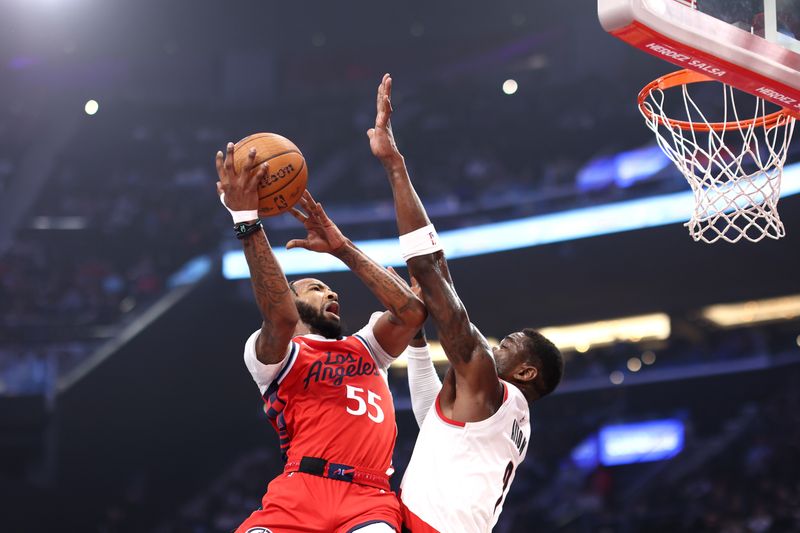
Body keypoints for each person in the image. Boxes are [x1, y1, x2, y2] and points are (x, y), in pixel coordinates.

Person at [366, 74, 565, 533]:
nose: (496, 345)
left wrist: (396, 167)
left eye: (510, 344)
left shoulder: (494, 390)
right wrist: (416, 338)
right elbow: (428, 414)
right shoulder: (496, 412)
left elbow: (432, 276)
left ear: (527, 370)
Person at [215, 142, 427, 533]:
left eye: (332, 290)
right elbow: (279, 317)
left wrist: (342, 248)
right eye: (315, 287)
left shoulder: (368, 347)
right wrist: (246, 219)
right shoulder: (272, 354)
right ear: (292, 300)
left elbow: (413, 313)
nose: (331, 293)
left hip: (368, 497)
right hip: (299, 492)